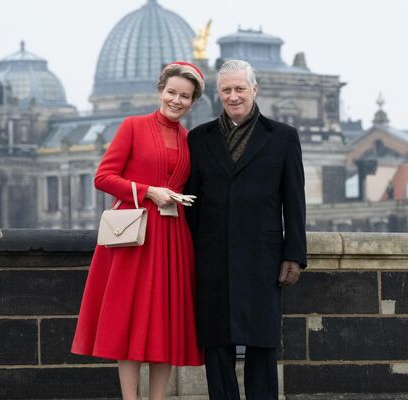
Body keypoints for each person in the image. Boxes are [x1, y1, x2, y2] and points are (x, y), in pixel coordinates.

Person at [72, 61, 206, 400]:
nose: (177, 100)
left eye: (185, 96)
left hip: (174, 237)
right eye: (172, 92)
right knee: (129, 321)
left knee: (168, 323)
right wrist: (148, 191)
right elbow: (103, 177)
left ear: (193, 102)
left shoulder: (192, 140)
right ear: (160, 91)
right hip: (135, 236)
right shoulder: (133, 126)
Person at [185, 59, 307, 400]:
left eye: (240, 88)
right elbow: (191, 202)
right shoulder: (198, 138)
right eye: (226, 90)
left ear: (254, 89)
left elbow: (294, 201)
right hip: (213, 257)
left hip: (263, 257)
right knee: (217, 345)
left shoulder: (283, 137)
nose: (233, 96)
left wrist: (294, 255)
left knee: (263, 344)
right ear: (217, 94)